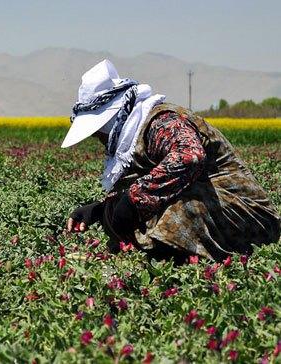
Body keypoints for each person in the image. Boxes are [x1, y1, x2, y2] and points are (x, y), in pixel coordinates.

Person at [62, 60, 280, 263]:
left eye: (97, 131)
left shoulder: (163, 122)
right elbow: (144, 183)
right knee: (118, 208)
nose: (98, 138)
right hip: (225, 212)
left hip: (249, 216)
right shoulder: (136, 136)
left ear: (111, 120)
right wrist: (100, 210)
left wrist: (133, 199)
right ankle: (155, 255)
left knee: (179, 208)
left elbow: (189, 157)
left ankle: (161, 260)